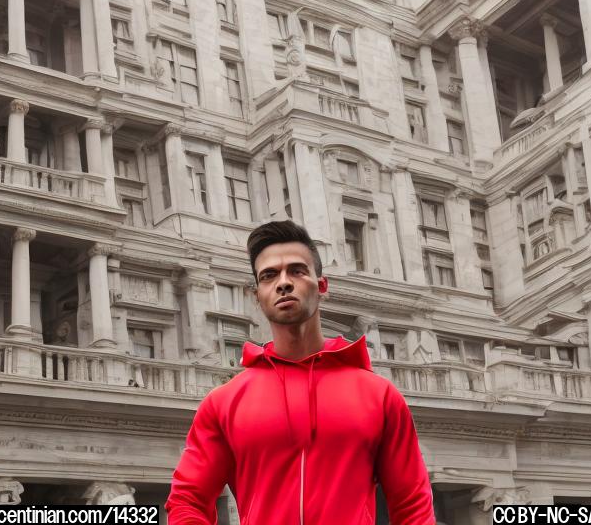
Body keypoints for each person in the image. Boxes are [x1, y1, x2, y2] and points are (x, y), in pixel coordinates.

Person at [166, 220, 436, 525]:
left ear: (321, 286)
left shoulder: (380, 396)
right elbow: (187, 500)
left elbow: (412, 504)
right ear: (257, 294)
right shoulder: (223, 403)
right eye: (269, 275)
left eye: (296, 270)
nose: (283, 282)